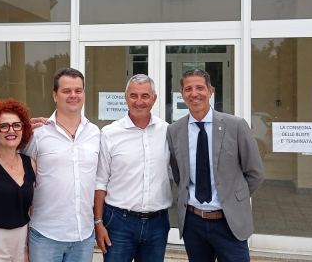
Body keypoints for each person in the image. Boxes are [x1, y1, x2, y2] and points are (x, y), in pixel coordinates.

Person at [167, 68, 264, 262]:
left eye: (200, 88)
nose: (194, 93)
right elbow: (179, 175)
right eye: (188, 89)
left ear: (210, 91)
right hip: (193, 223)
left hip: (229, 223)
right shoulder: (174, 130)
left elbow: (255, 173)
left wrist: (234, 199)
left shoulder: (236, 126)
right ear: (182, 93)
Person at [23, 68, 100, 262]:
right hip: (45, 235)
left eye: (78, 90)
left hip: (83, 236)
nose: (73, 95)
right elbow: (21, 178)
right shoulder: (38, 134)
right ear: (55, 95)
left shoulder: (95, 134)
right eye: (66, 91)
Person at [94, 74, 172, 262]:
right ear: (126, 97)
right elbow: (100, 181)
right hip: (118, 223)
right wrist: (98, 222)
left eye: (145, 96)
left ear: (154, 98)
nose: (139, 102)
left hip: (158, 224)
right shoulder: (110, 134)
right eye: (133, 96)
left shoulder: (167, 131)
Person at [0, 98, 36, 262]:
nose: (11, 131)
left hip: (20, 243)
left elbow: (28, 210)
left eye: (17, 125)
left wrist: (26, 246)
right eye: (4, 126)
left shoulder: (30, 163)